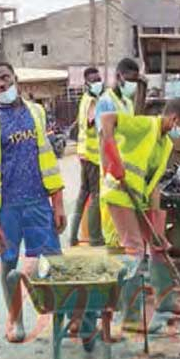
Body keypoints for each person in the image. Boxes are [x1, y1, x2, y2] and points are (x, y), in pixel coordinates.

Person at [0, 63, 66, 343]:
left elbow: (49, 160)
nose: (1, 85)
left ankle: (61, 317)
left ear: (15, 79)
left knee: (52, 262)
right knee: (9, 265)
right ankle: (15, 321)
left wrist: (58, 202)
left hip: (39, 202)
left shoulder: (37, 113)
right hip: (9, 208)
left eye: (5, 78)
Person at [100, 98, 180, 331]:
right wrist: (112, 155)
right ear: (174, 119)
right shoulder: (144, 126)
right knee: (133, 249)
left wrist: (156, 225)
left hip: (139, 198)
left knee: (158, 246)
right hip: (119, 193)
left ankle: (165, 300)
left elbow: (154, 185)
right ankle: (130, 317)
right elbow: (106, 120)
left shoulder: (166, 145)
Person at [94, 58, 140, 250]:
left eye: (136, 80)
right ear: (119, 77)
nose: (133, 84)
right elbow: (104, 138)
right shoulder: (105, 102)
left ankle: (127, 258)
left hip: (127, 166)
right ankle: (114, 258)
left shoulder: (128, 103)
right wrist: (108, 170)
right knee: (112, 221)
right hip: (111, 167)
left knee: (126, 218)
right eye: (130, 79)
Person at [68, 67, 105, 247]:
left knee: (83, 194)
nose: (98, 82)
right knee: (96, 195)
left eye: (99, 79)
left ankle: (73, 236)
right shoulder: (92, 102)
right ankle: (95, 237)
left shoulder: (84, 100)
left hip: (84, 153)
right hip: (92, 156)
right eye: (95, 80)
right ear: (87, 83)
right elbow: (92, 123)